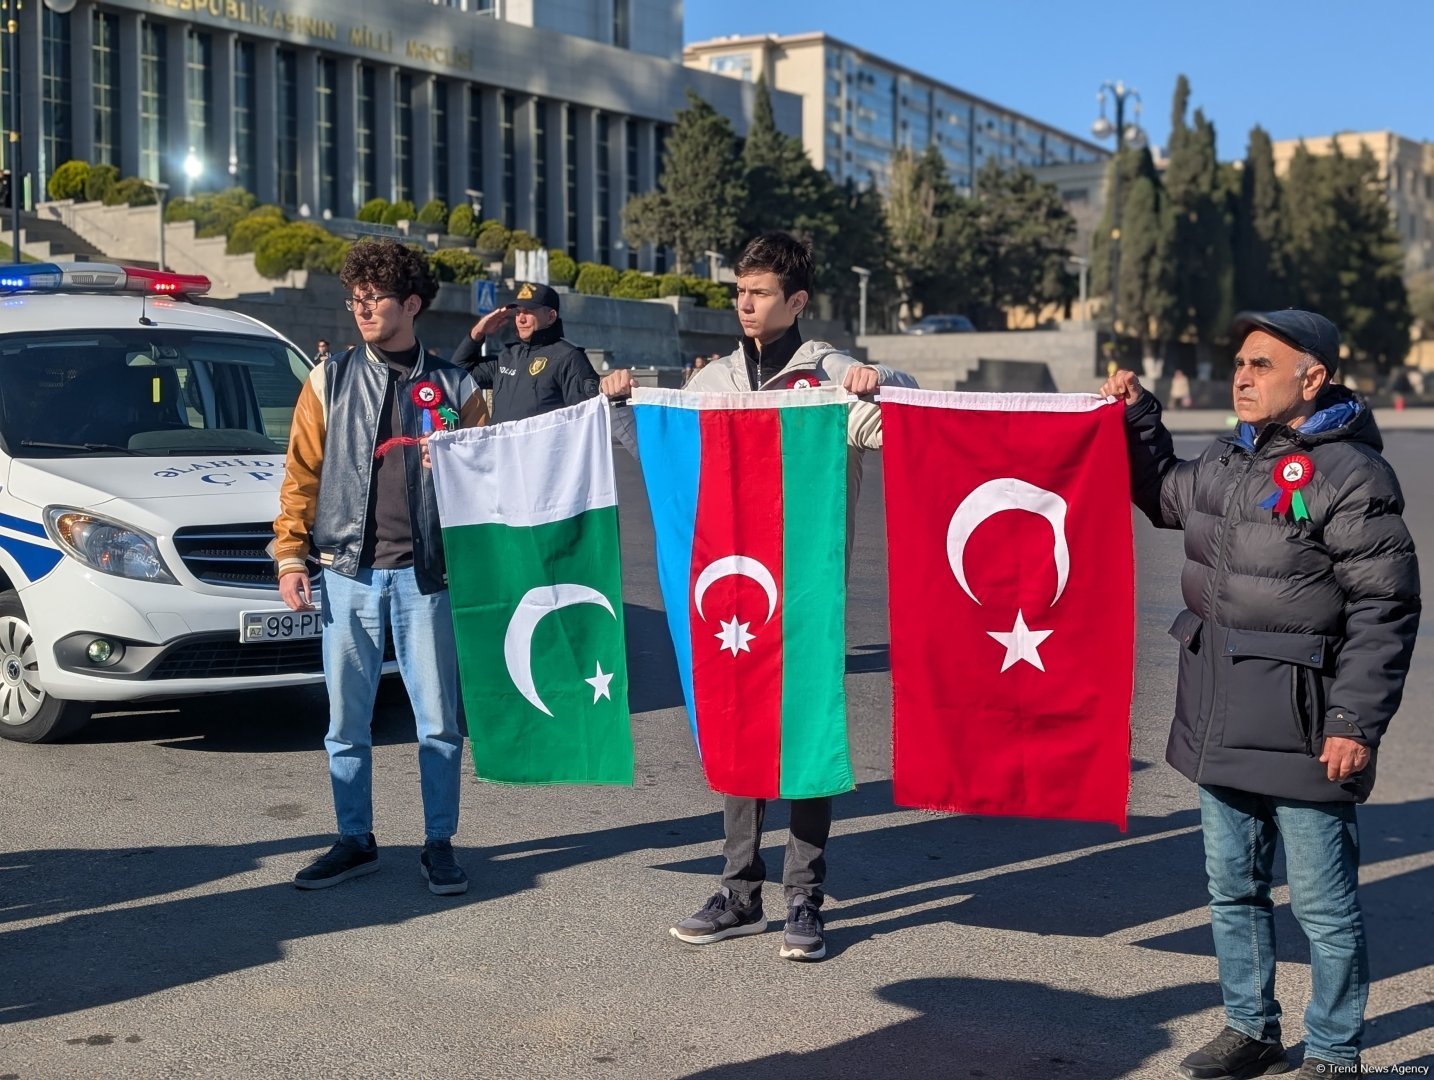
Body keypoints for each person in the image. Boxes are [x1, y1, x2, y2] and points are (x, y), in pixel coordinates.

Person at [1100, 310, 1419, 1079]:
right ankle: (1251, 1028)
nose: (1243, 376)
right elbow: (1164, 494)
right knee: (1233, 889)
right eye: (1239, 362)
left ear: (1313, 377)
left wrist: (1354, 722)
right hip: (1217, 711)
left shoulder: (1352, 476)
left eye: (1261, 365)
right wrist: (1139, 417)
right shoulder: (1228, 458)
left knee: (1322, 906)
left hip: (1307, 724)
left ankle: (1336, 1052)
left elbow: (1385, 610)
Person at [602, 231, 915, 962]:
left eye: (761, 292)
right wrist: (621, 405)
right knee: (740, 728)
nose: (745, 303)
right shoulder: (714, 383)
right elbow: (661, 447)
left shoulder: (832, 377)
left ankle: (805, 897)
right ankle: (739, 892)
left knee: (806, 741)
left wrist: (881, 378)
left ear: (796, 301)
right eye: (739, 290)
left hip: (807, 593)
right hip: (736, 592)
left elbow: (907, 422)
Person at [274, 239, 487, 896]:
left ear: (412, 304)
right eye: (356, 299)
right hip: (347, 573)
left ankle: (438, 843)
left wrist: (455, 472)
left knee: (438, 724)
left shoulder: (458, 386)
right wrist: (289, 555)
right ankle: (354, 839)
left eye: (376, 299)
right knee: (346, 722)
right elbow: (301, 474)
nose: (362, 309)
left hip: (427, 577)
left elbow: (491, 479)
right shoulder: (328, 378)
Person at [450, 281, 600, 423]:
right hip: (500, 449)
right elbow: (459, 372)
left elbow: (584, 420)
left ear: (550, 317)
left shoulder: (569, 357)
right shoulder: (507, 356)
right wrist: (477, 333)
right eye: (518, 312)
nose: (521, 319)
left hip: (541, 450)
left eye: (528, 312)